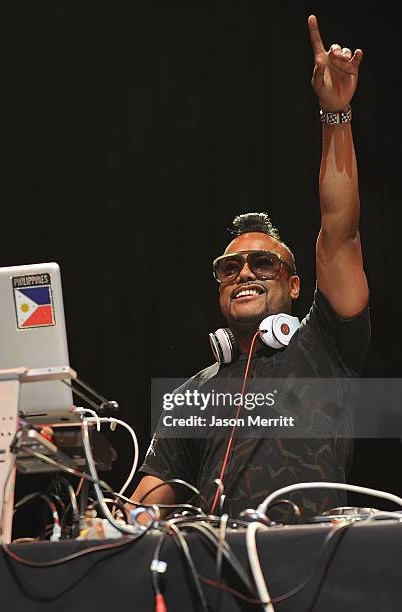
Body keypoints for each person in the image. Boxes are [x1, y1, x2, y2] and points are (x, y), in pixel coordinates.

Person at [130, 15, 370, 520]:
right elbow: (144, 505)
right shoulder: (192, 395)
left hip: (315, 573)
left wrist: (335, 116)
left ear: (295, 284)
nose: (244, 273)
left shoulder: (324, 342)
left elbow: (340, 230)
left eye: (263, 262)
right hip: (218, 580)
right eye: (229, 267)